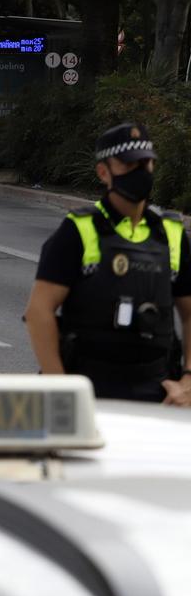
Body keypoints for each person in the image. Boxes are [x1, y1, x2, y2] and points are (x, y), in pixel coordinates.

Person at [23, 123, 191, 404]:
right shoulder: (78, 230)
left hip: (158, 394)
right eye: (129, 165)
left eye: (146, 163)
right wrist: (61, 390)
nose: (141, 170)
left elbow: (189, 313)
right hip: (89, 392)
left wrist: (187, 379)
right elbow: (39, 312)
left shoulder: (171, 233)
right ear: (104, 172)